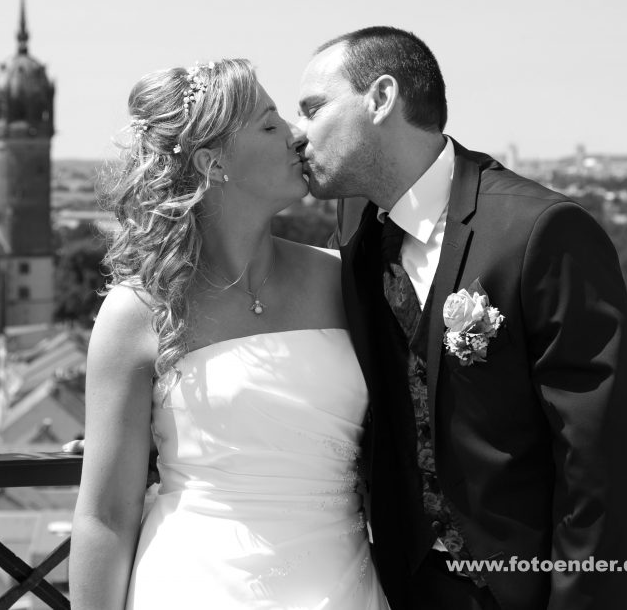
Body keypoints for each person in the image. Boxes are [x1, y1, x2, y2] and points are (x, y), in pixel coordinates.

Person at [296, 26, 627, 610]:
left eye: (313, 108)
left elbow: (596, 462)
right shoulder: (357, 227)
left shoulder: (543, 231)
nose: (297, 133)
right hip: (413, 585)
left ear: (380, 99)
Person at [69, 58, 390, 610]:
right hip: (191, 584)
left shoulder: (345, 281)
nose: (297, 135)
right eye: (270, 125)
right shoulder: (139, 311)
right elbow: (106, 515)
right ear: (212, 161)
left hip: (344, 583)